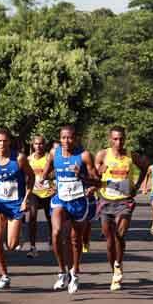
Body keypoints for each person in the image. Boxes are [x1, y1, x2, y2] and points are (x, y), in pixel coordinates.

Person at [41, 126, 100, 294]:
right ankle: (62, 272)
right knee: (56, 232)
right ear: (59, 139)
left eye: (70, 138)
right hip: (60, 200)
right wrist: (46, 183)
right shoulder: (54, 153)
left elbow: (97, 182)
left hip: (78, 202)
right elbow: (45, 174)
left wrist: (81, 176)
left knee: (75, 240)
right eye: (63, 138)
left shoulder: (84, 156)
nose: (67, 141)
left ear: (76, 138)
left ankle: (75, 273)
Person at [0, 128, 35, 290]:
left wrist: (27, 198)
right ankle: (4, 275)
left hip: (16, 205)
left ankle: (19, 233)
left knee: (11, 245)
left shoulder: (19, 159)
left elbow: (31, 178)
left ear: (9, 142)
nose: (2, 144)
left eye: (5, 141)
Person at [95, 126, 148, 291]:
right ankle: (115, 271)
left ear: (125, 139)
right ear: (110, 139)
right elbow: (93, 174)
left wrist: (137, 185)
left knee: (120, 233)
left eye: (122, 139)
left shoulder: (131, 156)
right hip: (105, 201)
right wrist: (99, 171)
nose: (119, 142)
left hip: (124, 201)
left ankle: (118, 262)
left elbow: (145, 167)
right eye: (116, 139)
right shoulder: (102, 155)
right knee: (110, 240)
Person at [25, 135, 54, 258]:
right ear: (33, 145)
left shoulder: (49, 158)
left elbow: (55, 174)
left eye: (41, 144)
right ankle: (32, 247)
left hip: (48, 192)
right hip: (34, 192)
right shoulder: (28, 159)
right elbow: (25, 176)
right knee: (32, 217)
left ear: (45, 145)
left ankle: (53, 241)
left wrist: (50, 177)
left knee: (50, 219)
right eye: (36, 144)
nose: (38, 146)